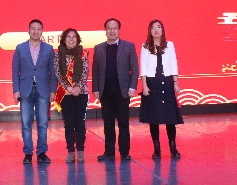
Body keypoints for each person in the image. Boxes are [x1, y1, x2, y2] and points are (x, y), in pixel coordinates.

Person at [92, 18, 139, 161]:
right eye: (109, 28)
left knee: (123, 122)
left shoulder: (128, 46)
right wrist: (95, 89)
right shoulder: (99, 48)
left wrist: (132, 86)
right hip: (105, 92)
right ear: (105, 30)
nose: (112, 31)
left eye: (114, 28)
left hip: (123, 91)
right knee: (108, 123)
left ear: (119, 30)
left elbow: (134, 69)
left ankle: (124, 152)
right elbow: (95, 70)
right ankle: (109, 152)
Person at [12, 19, 57, 164]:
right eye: (33, 28)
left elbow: (53, 72)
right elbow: (15, 71)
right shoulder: (20, 48)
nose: (35, 31)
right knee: (26, 123)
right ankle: (28, 153)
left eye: (38, 29)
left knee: (42, 123)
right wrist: (16, 90)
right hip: (25, 90)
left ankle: (42, 153)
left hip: (43, 90)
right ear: (28, 30)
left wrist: (53, 90)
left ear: (42, 31)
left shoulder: (49, 49)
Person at [139, 19, 184, 159]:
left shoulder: (170, 45)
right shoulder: (145, 46)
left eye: (158, 27)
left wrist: (175, 82)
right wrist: (144, 85)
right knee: (154, 117)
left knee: (170, 117)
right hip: (152, 82)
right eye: (153, 28)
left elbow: (174, 63)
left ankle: (173, 147)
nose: (156, 30)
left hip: (167, 81)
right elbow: (143, 66)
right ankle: (156, 148)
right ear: (150, 31)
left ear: (162, 29)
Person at [54, 28, 89, 163]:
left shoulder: (83, 53)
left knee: (80, 122)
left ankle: (80, 151)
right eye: (68, 37)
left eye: (74, 37)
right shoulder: (58, 54)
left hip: (81, 92)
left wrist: (78, 87)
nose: (71, 39)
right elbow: (58, 73)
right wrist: (68, 87)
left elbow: (85, 72)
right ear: (64, 39)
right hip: (66, 93)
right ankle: (70, 151)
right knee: (69, 123)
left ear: (77, 39)